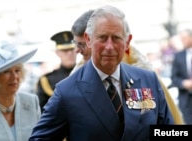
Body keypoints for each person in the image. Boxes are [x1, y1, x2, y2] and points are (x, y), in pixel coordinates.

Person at [29, 5, 174, 141]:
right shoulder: (67, 91)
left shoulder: (147, 80)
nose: (109, 47)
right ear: (88, 40)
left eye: (116, 38)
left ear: (127, 41)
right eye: (102, 38)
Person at [70, 9, 184, 124]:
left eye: (81, 44)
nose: (77, 50)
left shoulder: (143, 76)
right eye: (76, 43)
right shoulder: (76, 79)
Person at [36, 31, 77, 111]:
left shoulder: (87, 73)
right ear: (57, 53)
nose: (69, 53)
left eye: (72, 49)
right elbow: (41, 111)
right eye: (65, 50)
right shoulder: (47, 80)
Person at [170, 28, 192, 124]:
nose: (182, 41)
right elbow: (174, 78)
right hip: (186, 98)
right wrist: (183, 83)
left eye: (184, 38)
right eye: (181, 39)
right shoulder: (178, 56)